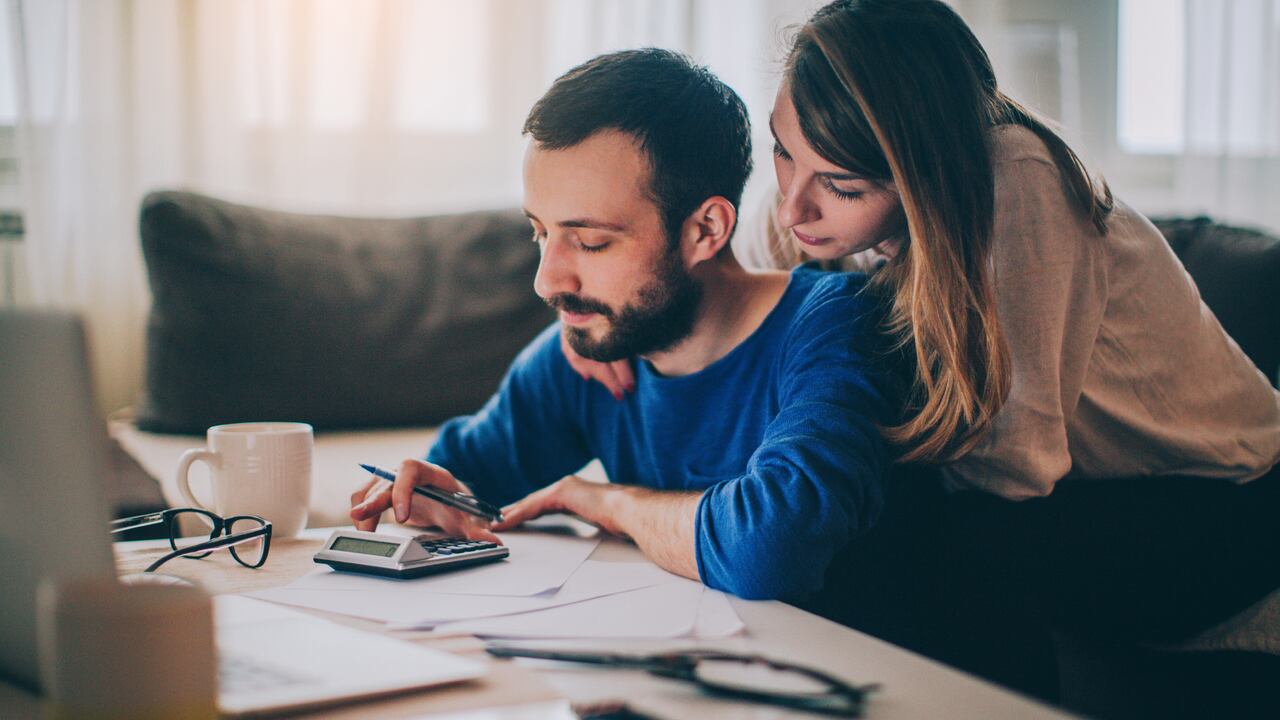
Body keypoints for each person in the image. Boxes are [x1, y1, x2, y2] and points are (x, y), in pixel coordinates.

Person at [564, 0, 1280, 702]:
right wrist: (608, 319)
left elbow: (1015, 466)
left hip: (1223, 496)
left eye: (841, 186)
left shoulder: (1017, 183)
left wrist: (805, 477)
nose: (792, 207)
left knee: (922, 534)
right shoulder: (814, 192)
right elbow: (722, 283)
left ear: (922, 173)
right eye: (783, 152)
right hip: (1081, 491)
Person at [349, 48, 899, 603]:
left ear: (705, 230)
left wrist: (608, 502)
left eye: (590, 242)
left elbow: (771, 551)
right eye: (541, 233)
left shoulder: (839, 325)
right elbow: (461, 476)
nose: (546, 281)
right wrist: (430, 494)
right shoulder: (591, 349)